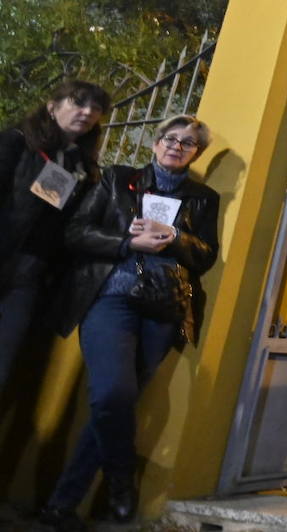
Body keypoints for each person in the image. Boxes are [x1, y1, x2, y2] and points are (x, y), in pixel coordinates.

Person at [39, 114, 219, 529]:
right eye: (169, 139)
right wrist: (127, 242)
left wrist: (176, 238)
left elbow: (206, 255)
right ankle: (122, 479)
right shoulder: (118, 180)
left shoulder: (203, 198)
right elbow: (77, 232)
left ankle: (61, 506)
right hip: (111, 298)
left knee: (117, 405)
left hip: (163, 305)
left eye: (187, 143)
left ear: (196, 153)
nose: (176, 146)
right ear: (155, 144)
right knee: (111, 395)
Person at [0, 81, 109, 393]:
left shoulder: (80, 166)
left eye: (96, 108)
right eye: (78, 102)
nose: (87, 112)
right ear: (52, 106)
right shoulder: (16, 142)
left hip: (27, 276)